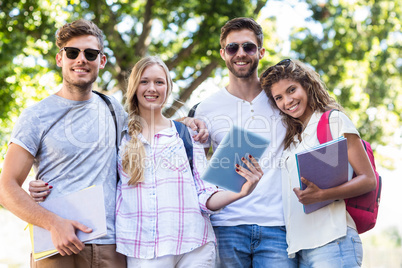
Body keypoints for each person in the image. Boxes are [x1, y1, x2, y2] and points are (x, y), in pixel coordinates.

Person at [0, 19, 127, 267]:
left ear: (101, 61)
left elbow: (153, 139)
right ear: (61, 59)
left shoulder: (114, 110)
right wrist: (53, 223)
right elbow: (6, 187)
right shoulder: (36, 115)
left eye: (90, 53)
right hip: (57, 247)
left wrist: (188, 122)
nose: (81, 59)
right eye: (72, 52)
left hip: (111, 246)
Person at [115, 55, 262, 267]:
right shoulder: (121, 136)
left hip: (195, 246)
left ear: (168, 88)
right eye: (144, 81)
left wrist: (241, 191)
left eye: (159, 82)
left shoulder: (186, 135)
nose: (152, 88)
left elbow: (205, 194)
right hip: (144, 249)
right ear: (134, 86)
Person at [192, 17, 297, 267]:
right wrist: (186, 122)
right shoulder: (206, 108)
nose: (241, 53)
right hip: (226, 226)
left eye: (248, 47)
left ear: (260, 52)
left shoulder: (280, 99)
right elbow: (196, 172)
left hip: (278, 227)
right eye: (232, 47)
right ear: (223, 53)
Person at [260, 59, 376, 267]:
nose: (287, 101)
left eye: (291, 90)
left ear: (307, 85)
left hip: (333, 241)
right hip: (300, 249)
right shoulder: (292, 140)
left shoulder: (333, 121)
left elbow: (368, 180)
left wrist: (322, 195)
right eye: (279, 97)